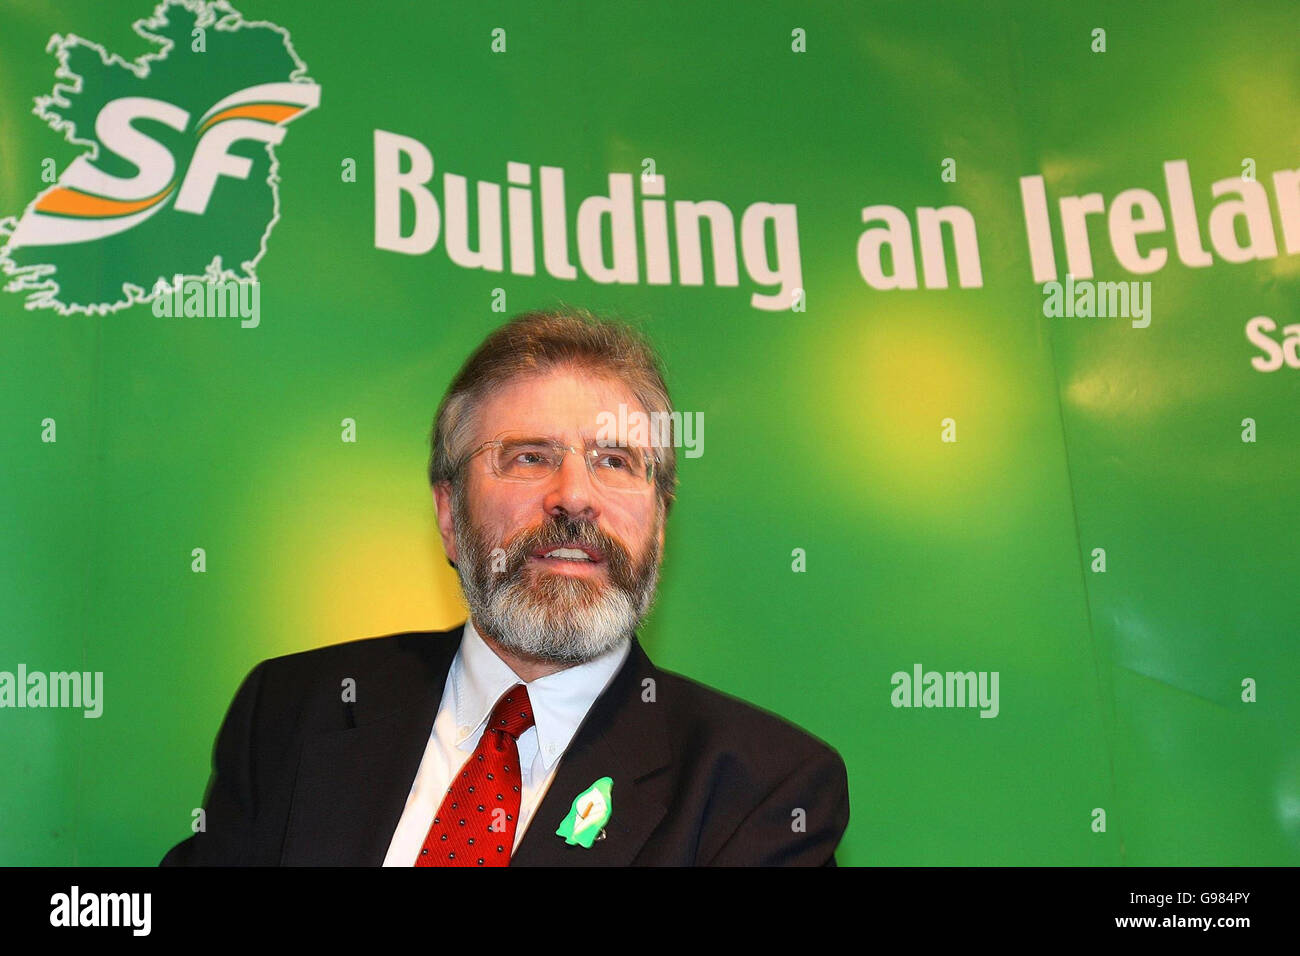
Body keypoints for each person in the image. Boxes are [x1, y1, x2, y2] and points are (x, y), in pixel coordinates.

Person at [161, 308, 850, 866]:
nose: (574, 497)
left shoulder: (762, 793)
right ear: (449, 516)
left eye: (615, 460)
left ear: (660, 524)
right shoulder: (294, 710)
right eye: (529, 457)